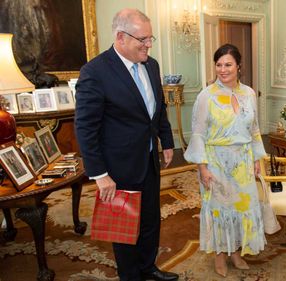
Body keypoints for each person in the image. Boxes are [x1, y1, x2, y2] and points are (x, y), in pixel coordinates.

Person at [75, 8, 178, 281]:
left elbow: (158, 109)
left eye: (151, 38)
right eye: (142, 39)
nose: (148, 45)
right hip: (117, 168)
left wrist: (166, 141)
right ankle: (130, 276)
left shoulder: (152, 65)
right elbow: (85, 128)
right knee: (123, 227)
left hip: (148, 160)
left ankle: (148, 267)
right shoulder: (95, 71)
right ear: (121, 37)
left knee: (150, 220)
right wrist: (100, 175)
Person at [183, 44, 267, 277]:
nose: (223, 69)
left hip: (243, 161)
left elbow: (255, 129)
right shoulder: (206, 96)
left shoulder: (249, 93)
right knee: (219, 211)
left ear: (239, 66)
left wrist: (257, 158)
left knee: (242, 208)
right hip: (216, 162)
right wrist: (202, 167)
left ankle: (236, 252)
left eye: (228, 64)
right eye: (219, 64)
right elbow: (198, 133)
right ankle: (220, 257)